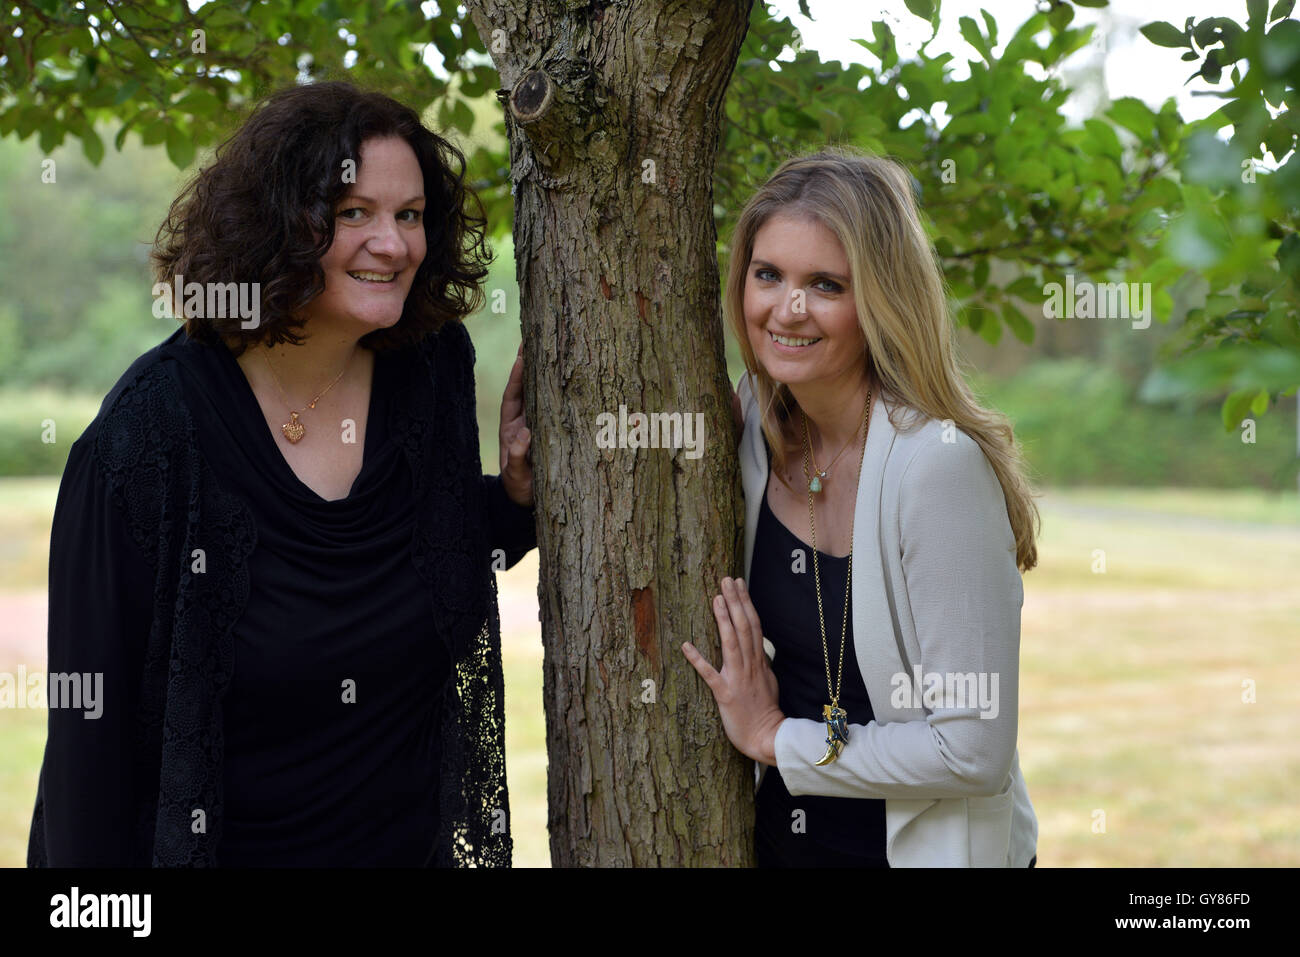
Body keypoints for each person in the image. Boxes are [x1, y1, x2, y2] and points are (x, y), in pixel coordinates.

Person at [27, 81, 536, 867]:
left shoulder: (427, 371)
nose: (394, 245)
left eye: (408, 215)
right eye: (353, 212)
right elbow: (86, 760)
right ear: (278, 223)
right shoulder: (145, 441)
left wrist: (512, 498)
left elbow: (427, 544)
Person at [682, 147, 1040, 867]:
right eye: (767, 275)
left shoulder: (937, 467)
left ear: (879, 299)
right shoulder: (749, 423)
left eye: (825, 284)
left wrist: (775, 736)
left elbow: (972, 748)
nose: (787, 308)